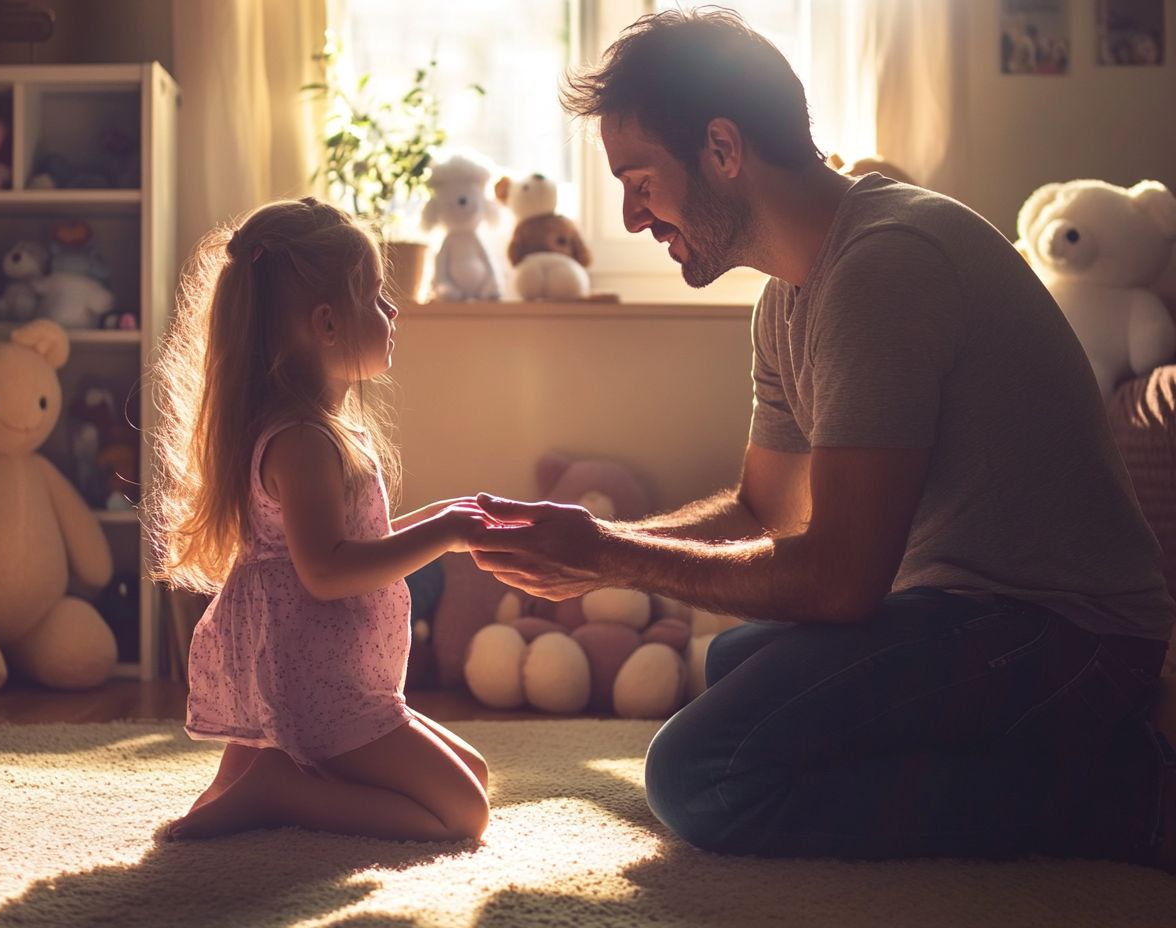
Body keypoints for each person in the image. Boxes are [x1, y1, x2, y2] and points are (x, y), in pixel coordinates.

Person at [469, 9, 1176, 865]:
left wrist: (613, 557)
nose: (628, 217)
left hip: (1071, 639)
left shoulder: (884, 266)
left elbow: (841, 580)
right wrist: (595, 544)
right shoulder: (789, 297)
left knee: (700, 775)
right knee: (734, 661)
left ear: (723, 151)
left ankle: (1117, 798)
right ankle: (1023, 761)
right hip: (968, 615)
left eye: (641, 179)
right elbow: (765, 508)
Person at [148, 197, 494, 842]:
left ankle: (271, 780)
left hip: (334, 675)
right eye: (377, 297)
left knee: (472, 771)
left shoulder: (318, 432)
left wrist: (446, 516)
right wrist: (445, 535)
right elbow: (327, 570)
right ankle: (285, 790)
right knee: (464, 815)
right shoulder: (303, 440)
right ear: (328, 324)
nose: (392, 313)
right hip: (323, 684)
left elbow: (353, 542)